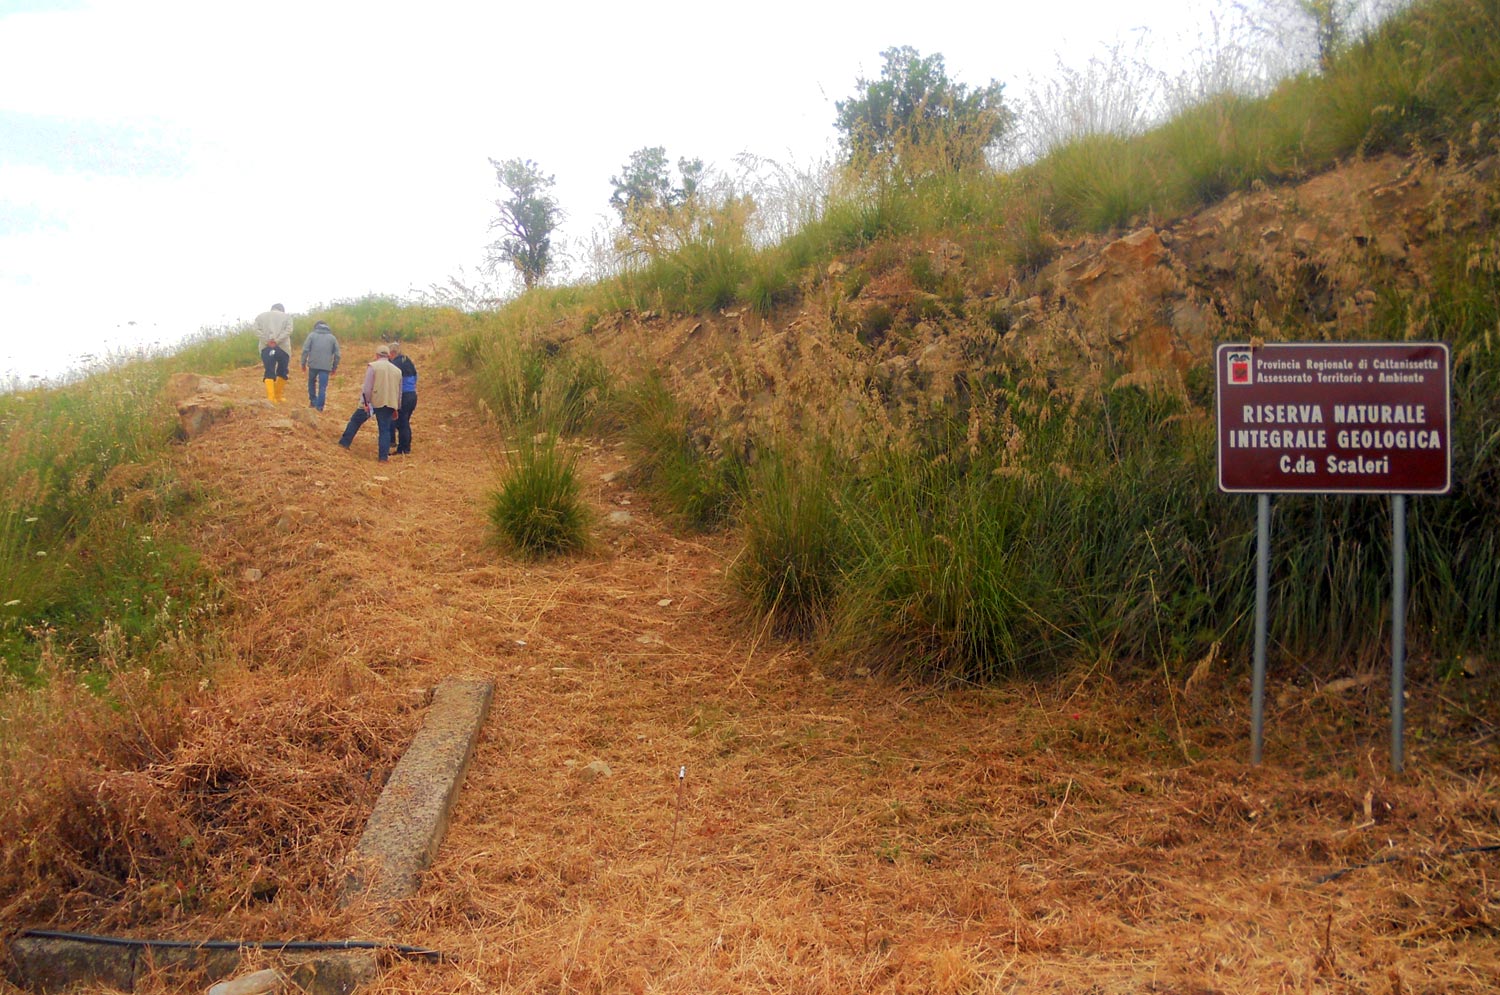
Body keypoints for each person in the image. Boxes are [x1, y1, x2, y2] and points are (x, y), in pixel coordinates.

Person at [337, 343, 403, 462]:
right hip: (389, 402)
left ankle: (344, 443)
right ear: (389, 356)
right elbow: (399, 392)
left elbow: (367, 388)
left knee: (355, 421)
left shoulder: (373, 366)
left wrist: (365, 403)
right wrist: (396, 408)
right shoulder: (397, 371)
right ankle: (383, 458)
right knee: (385, 430)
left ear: (377, 355)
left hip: (373, 401)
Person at [253, 303, 293, 403]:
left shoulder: (260, 316)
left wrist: (267, 341)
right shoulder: (287, 317)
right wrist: (277, 340)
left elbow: (256, 330)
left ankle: (271, 398)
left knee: (269, 370)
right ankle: (278, 396)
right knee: (283, 371)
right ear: (282, 310)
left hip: (266, 347)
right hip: (283, 348)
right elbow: (288, 331)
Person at [300, 320, 341, 411]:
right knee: (322, 387)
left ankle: (313, 401)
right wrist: (334, 367)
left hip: (313, 364)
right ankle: (319, 407)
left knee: (311, 383)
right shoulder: (332, 338)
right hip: (326, 366)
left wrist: (303, 363)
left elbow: (305, 350)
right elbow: (337, 354)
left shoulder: (312, 336)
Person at [386, 340, 418, 455]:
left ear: (392, 353)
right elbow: (416, 376)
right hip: (412, 395)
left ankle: (404, 449)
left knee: (401, 422)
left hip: (403, 396)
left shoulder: (395, 364)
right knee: (405, 421)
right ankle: (405, 446)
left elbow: (392, 380)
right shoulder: (408, 361)